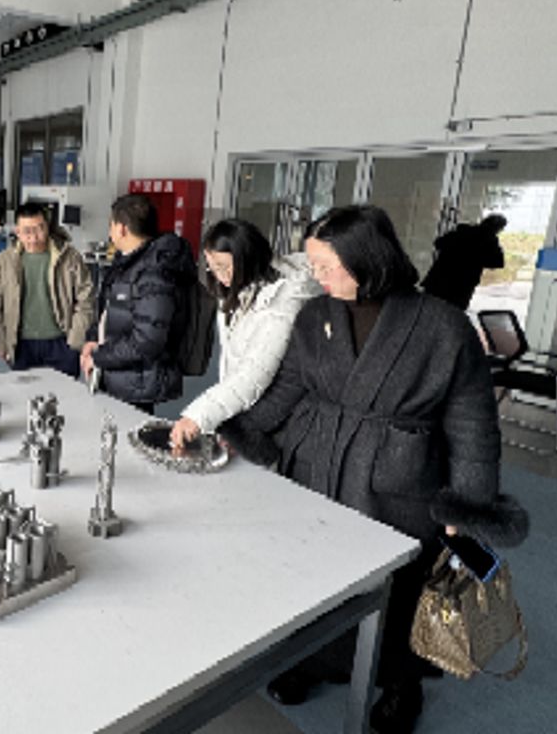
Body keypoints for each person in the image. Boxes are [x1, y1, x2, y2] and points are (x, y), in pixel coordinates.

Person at [218, 206, 528, 733]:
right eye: (313, 264)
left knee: (397, 588)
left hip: (397, 480)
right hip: (315, 467)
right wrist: (237, 430)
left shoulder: (442, 326)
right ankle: (312, 661)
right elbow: (288, 389)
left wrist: (470, 503)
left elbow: (473, 424)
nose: (315, 275)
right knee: (311, 575)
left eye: (326, 265)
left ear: (367, 259)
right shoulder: (314, 315)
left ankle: (401, 683)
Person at [169, 219, 320, 448]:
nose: (219, 275)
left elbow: (254, 373)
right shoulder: (241, 289)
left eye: (224, 266)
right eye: (212, 267)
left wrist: (199, 416)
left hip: (270, 419)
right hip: (243, 409)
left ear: (247, 257)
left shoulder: (282, 304)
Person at [80, 193, 197, 411]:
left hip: (136, 383)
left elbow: (147, 341)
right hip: (117, 374)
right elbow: (111, 310)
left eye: (111, 225)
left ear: (122, 228)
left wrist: (99, 357)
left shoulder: (155, 272)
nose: (110, 232)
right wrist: (94, 338)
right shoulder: (128, 262)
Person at [0, 202, 94, 377]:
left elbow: (86, 299)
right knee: (24, 393)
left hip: (61, 344)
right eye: (27, 231)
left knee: (64, 393)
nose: (34, 237)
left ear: (47, 227)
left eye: (39, 229)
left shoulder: (69, 258)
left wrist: (75, 339)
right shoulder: (6, 260)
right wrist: (0, 342)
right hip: (22, 344)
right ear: (17, 232)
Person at [420, 213, 507, 310]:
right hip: (462, 287)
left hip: (438, 280)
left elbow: (438, 243)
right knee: (451, 315)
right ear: (497, 229)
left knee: (426, 311)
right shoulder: (489, 242)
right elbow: (498, 263)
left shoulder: (462, 232)